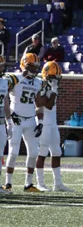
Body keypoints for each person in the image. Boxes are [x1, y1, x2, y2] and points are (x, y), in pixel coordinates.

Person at [3, 54, 45, 192]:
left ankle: (28, 183)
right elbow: (4, 98)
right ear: (23, 65)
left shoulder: (38, 82)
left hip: (31, 120)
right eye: (30, 66)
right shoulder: (14, 79)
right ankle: (8, 183)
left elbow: (38, 103)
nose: (33, 70)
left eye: (35, 67)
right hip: (16, 120)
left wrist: (41, 121)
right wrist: (11, 115)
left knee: (34, 152)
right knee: (13, 152)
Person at [31, 61, 70, 192]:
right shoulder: (40, 85)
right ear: (46, 75)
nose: (56, 80)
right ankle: (40, 183)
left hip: (53, 123)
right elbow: (46, 105)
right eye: (53, 77)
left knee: (57, 152)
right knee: (42, 153)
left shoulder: (52, 86)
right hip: (44, 124)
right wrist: (53, 90)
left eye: (57, 77)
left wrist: (54, 89)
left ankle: (57, 183)